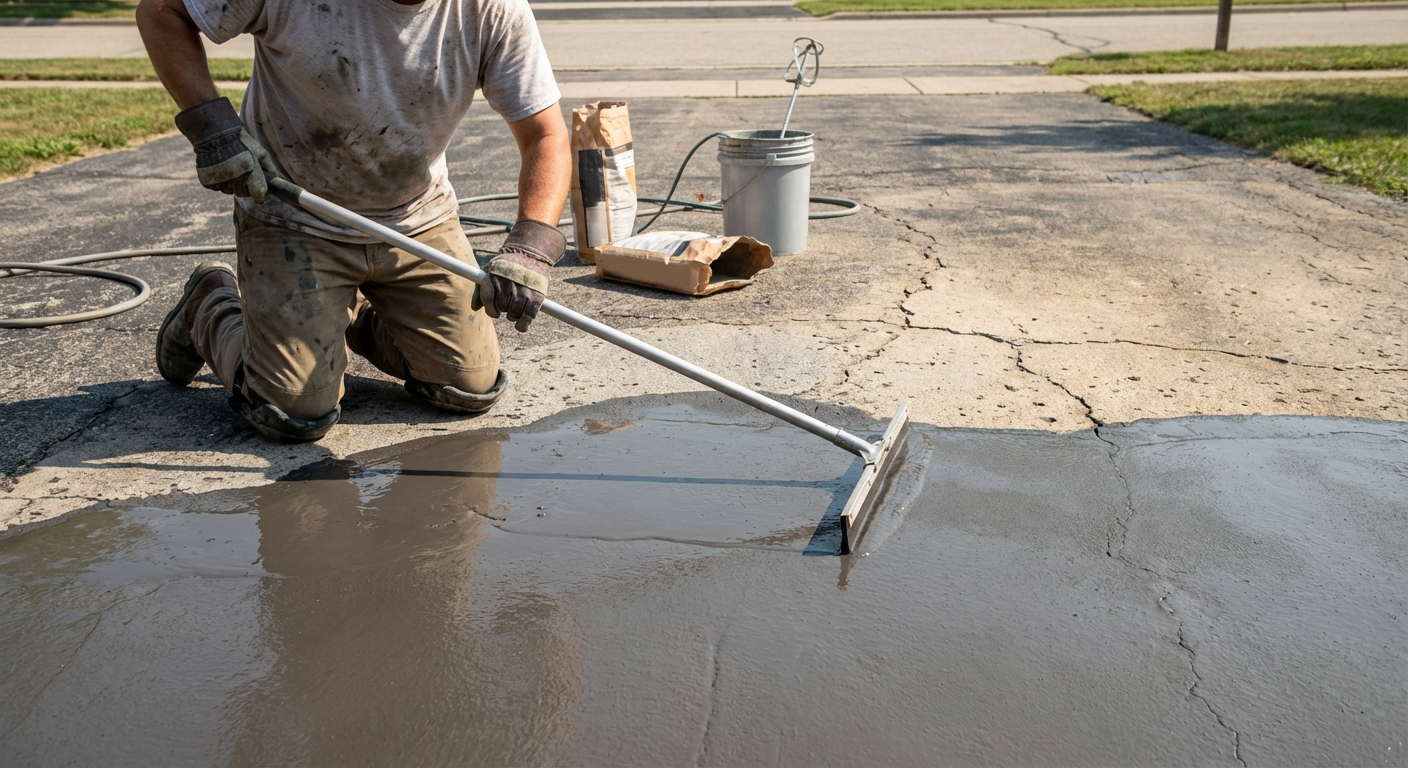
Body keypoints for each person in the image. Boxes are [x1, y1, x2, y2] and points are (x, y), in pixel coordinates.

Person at [136, 0, 571, 442]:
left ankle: (338, 311)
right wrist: (213, 129)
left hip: (416, 219)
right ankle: (210, 305)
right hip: (295, 215)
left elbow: (546, 135)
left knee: (468, 385)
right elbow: (162, 12)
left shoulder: (492, 9)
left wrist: (530, 246)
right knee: (293, 412)